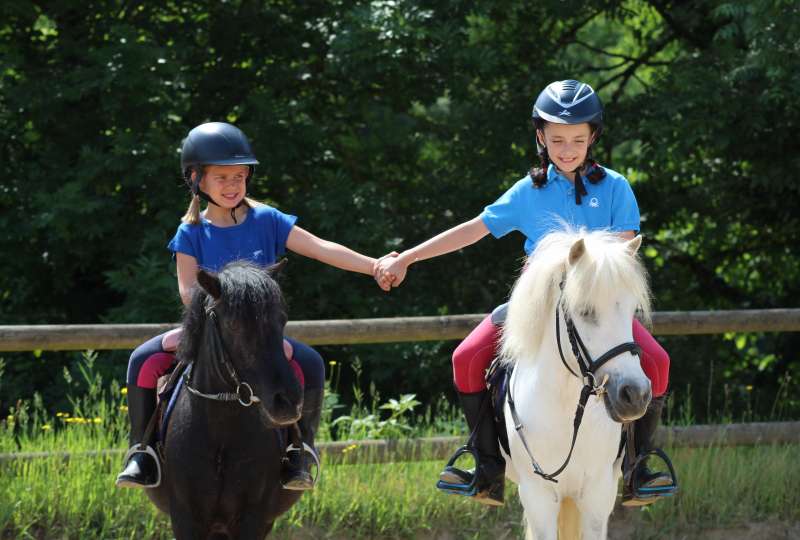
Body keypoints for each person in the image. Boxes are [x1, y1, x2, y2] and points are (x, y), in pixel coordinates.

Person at [376, 80, 673, 507]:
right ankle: (485, 464)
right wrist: (408, 257)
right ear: (541, 138)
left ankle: (639, 466)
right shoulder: (527, 192)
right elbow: (473, 229)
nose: (567, 149)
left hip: (598, 310)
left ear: (593, 138)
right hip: (536, 307)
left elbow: (622, 256)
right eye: (557, 140)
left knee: (658, 363)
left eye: (576, 139)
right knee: (465, 357)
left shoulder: (617, 188)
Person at [116, 122, 392, 491]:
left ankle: (300, 450)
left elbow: (322, 247)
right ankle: (143, 451)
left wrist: (372, 265)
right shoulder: (191, 232)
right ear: (197, 179)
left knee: (309, 362)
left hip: (260, 337)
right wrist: (224, 304)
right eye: (222, 178)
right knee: (142, 360)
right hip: (211, 330)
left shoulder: (268, 221)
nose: (232, 186)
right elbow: (186, 290)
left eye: (240, 177)